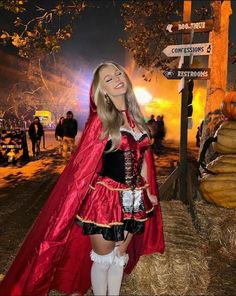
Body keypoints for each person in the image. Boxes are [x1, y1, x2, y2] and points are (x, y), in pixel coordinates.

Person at [0, 62, 164, 296]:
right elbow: (83, 166)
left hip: (134, 199)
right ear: (102, 91)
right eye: (108, 79)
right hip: (105, 199)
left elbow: (145, 157)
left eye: (118, 73)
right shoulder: (102, 121)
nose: (117, 78)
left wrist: (148, 191)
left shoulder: (136, 119)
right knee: (104, 259)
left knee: (120, 256)